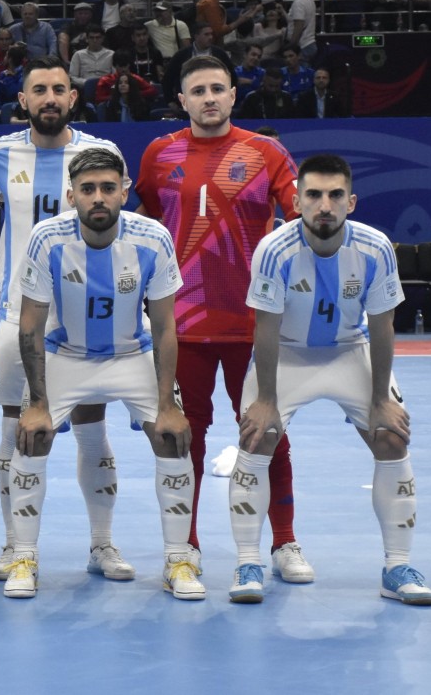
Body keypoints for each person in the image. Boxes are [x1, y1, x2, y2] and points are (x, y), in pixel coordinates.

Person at [135, 54, 311, 590]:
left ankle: (284, 542)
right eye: (198, 90)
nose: (209, 98)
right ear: (182, 101)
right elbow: (140, 228)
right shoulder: (158, 154)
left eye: (218, 88)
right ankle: (184, 548)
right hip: (180, 327)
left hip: (252, 324)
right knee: (183, 440)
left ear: (234, 95)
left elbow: (301, 220)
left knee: (268, 435)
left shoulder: (267, 153)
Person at [233, 153, 431, 606]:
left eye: (335, 195)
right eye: (314, 195)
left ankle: (396, 567)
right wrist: (266, 399)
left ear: (351, 202)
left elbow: (382, 325)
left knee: (391, 437)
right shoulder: (274, 250)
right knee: (255, 435)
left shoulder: (376, 247)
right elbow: (264, 327)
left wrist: (381, 399)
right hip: (286, 353)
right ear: (297, 201)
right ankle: (248, 562)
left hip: (349, 350)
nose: (324, 205)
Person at [0, 53, 131, 580]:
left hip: (83, 320)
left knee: (90, 427)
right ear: (23, 100)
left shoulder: (100, 155)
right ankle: (15, 546)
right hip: (17, 318)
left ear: (73, 98)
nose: (50, 99)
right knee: (17, 433)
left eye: (59, 90)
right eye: (40, 91)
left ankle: (102, 545)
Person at [10, 148, 196, 599]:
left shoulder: (152, 238)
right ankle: (22, 557)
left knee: (172, 436)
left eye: (108, 188)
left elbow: (167, 324)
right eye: (88, 190)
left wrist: (168, 404)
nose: (99, 198)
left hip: (131, 354)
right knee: (32, 436)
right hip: (67, 354)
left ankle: (177, 560)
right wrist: (36, 404)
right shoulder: (46, 238)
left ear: (124, 193)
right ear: (71, 195)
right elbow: (31, 324)